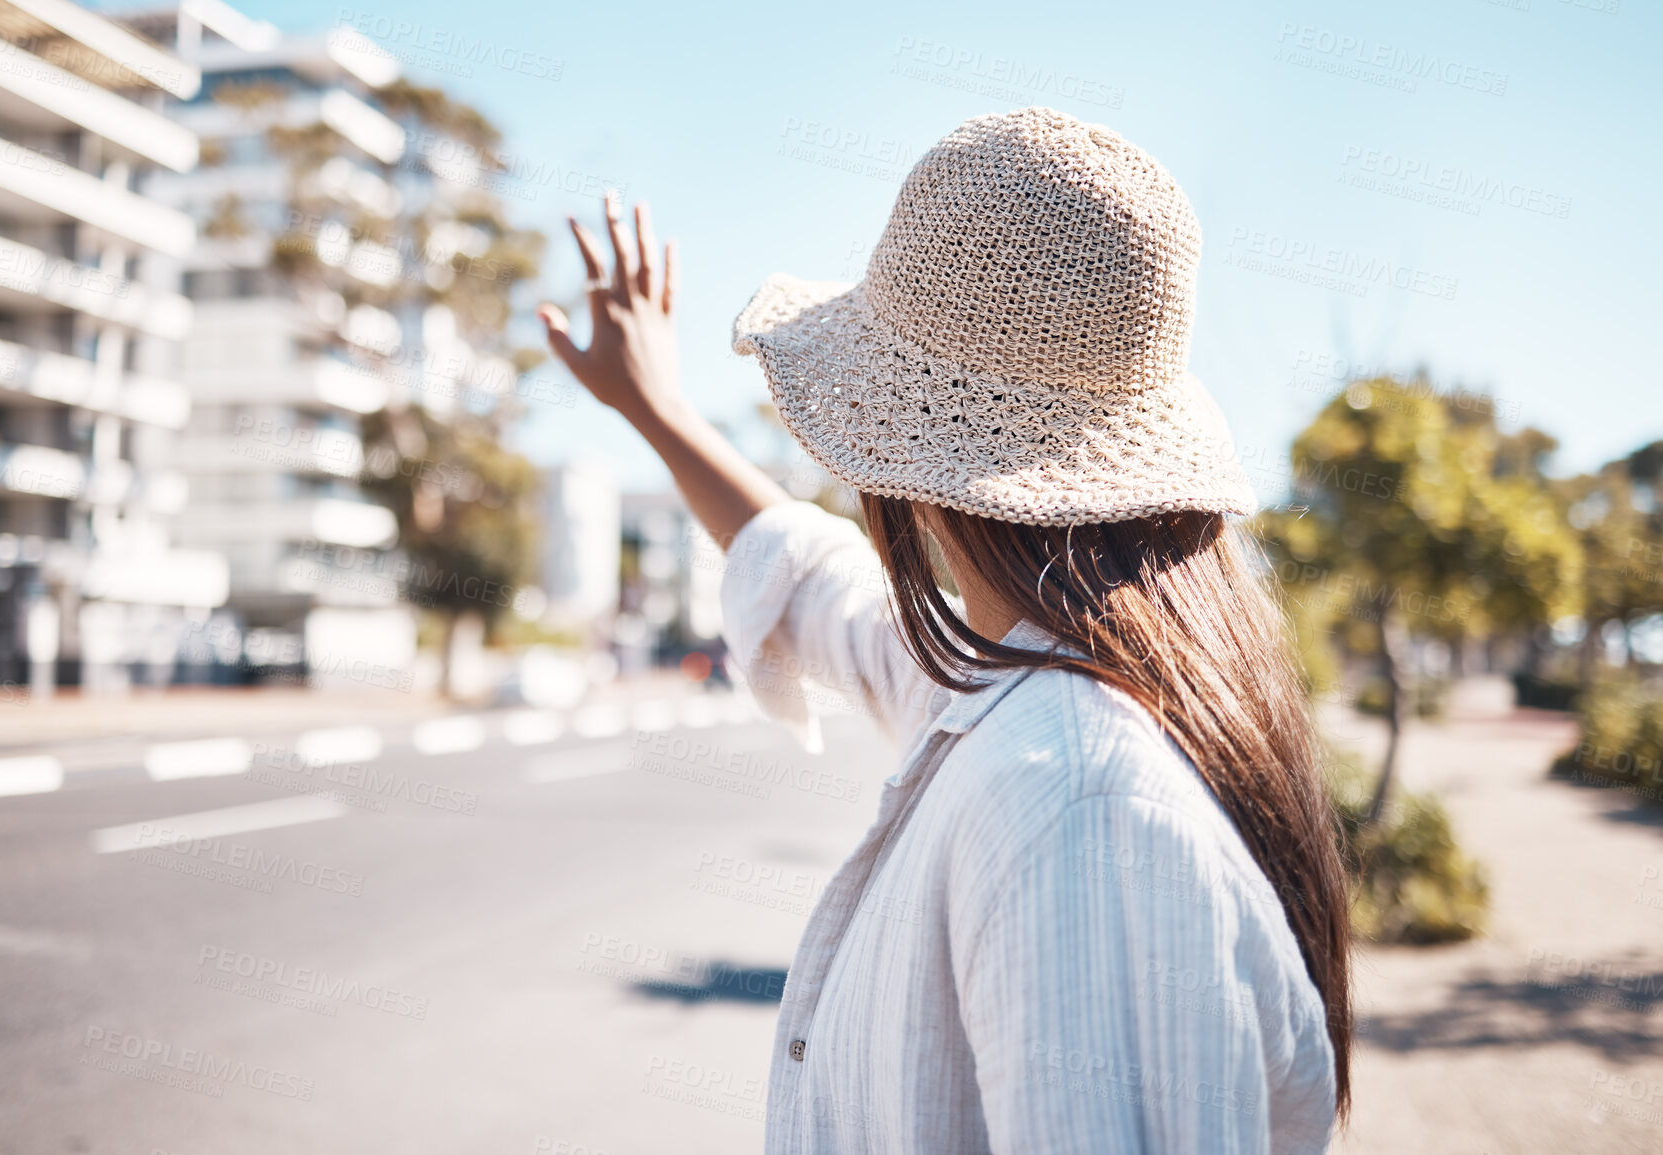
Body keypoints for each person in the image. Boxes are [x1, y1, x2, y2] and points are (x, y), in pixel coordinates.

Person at [540, 106, 1349, 1155]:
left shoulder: (1078, 799)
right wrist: (655, 409)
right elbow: (815, 582)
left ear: (916, 464)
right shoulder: (1026, 681)